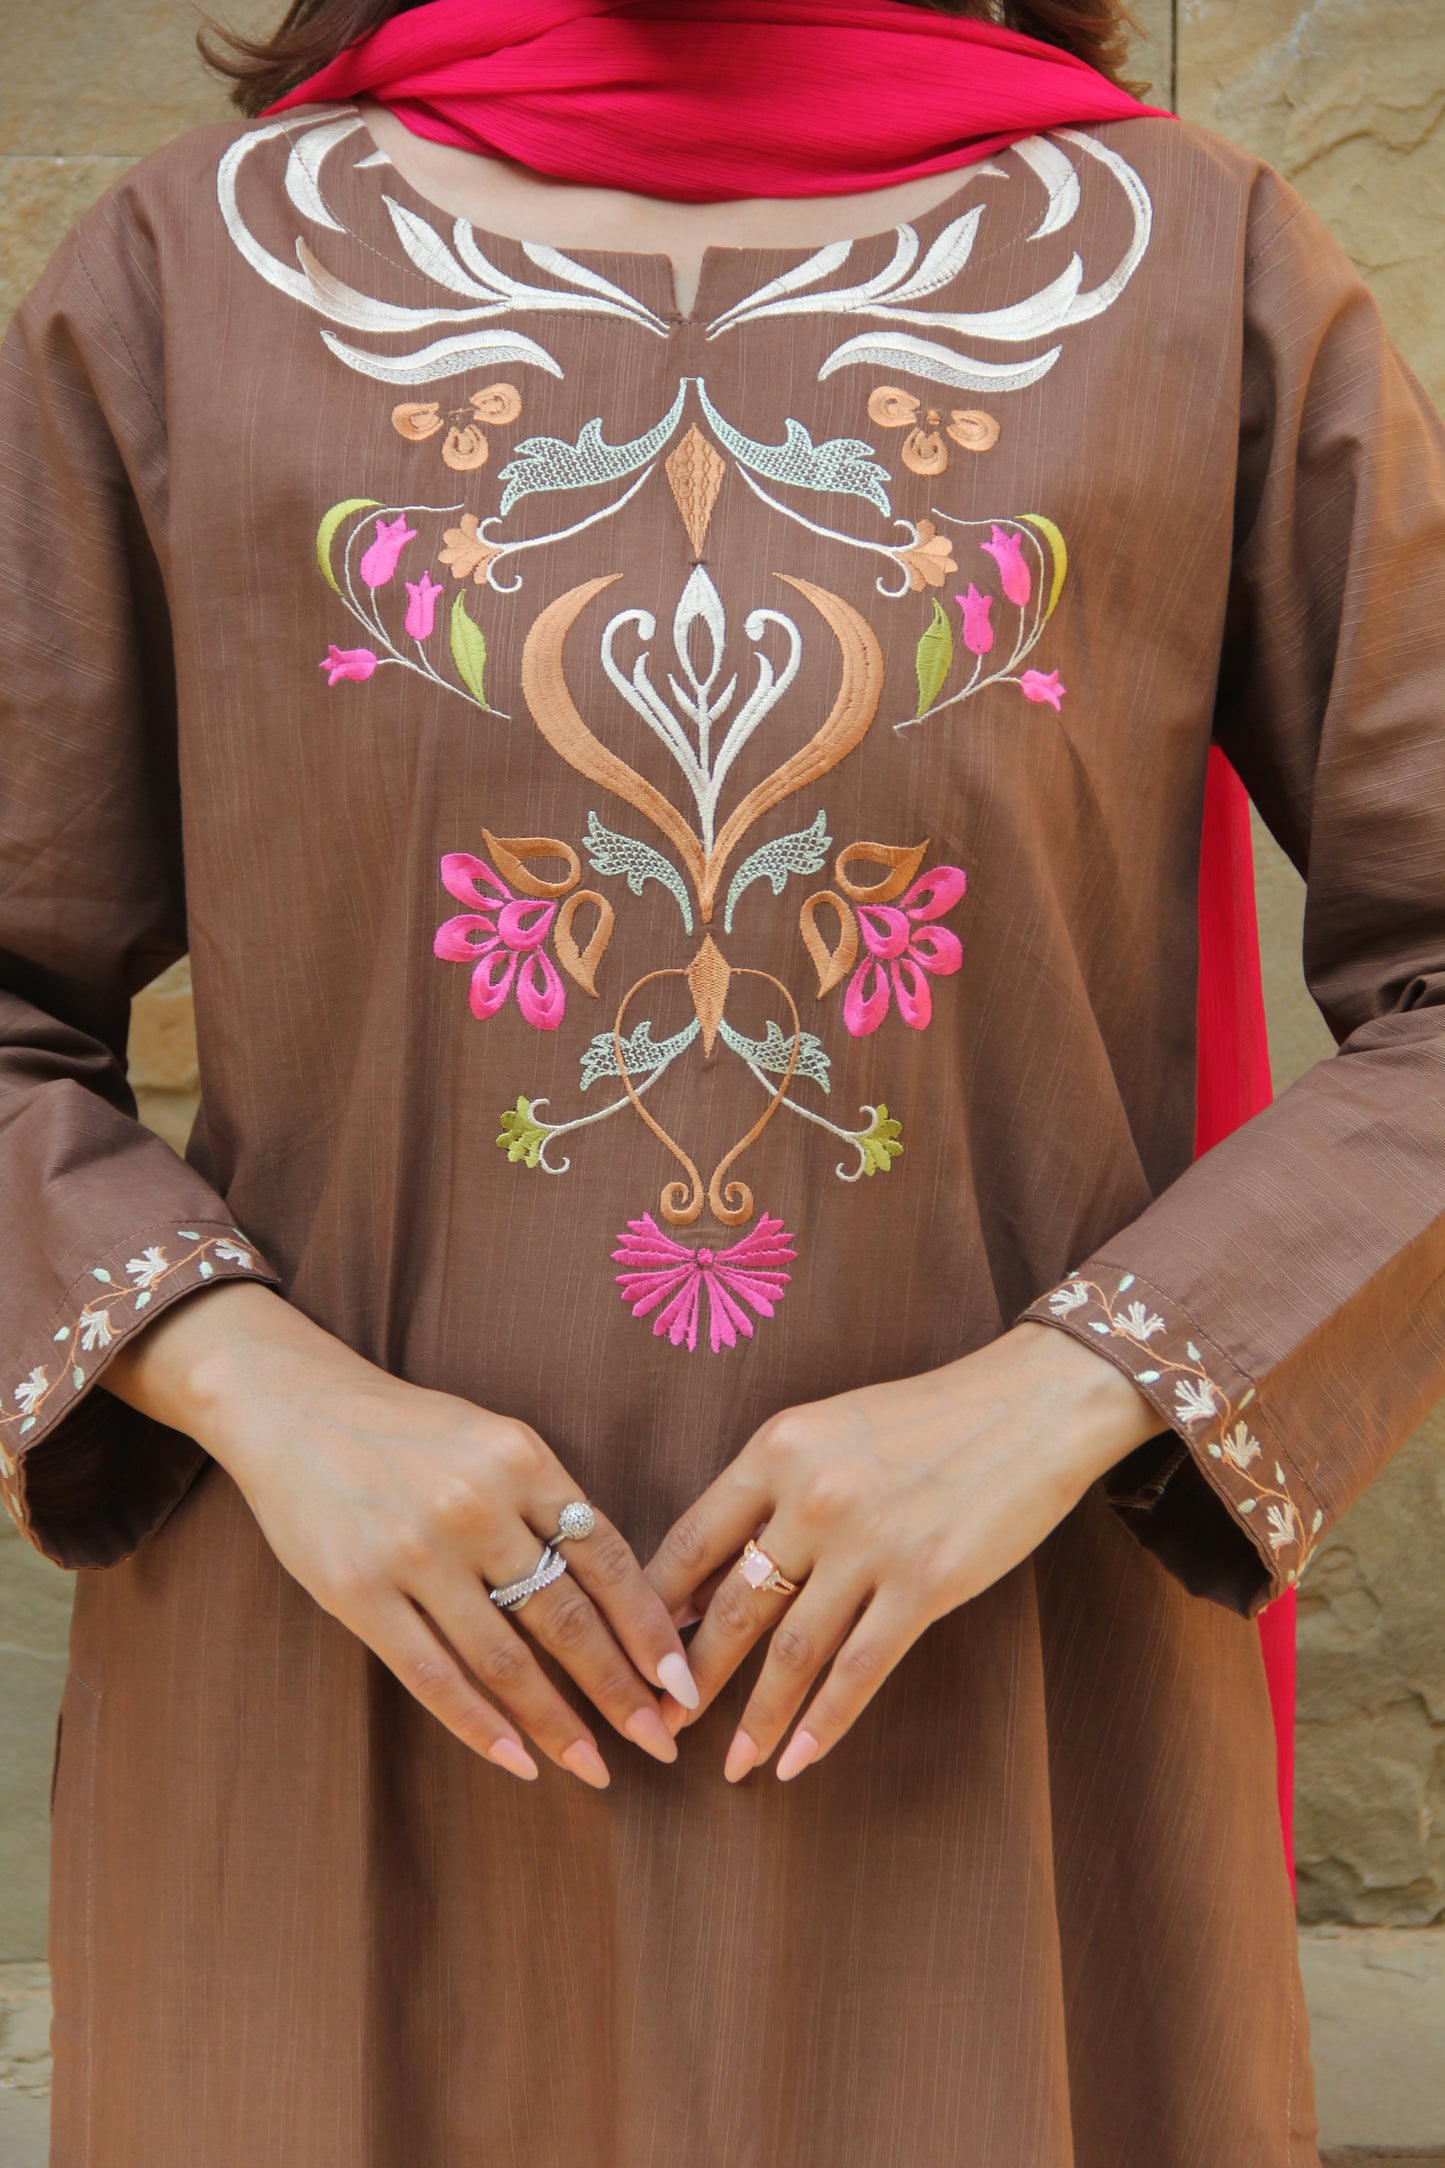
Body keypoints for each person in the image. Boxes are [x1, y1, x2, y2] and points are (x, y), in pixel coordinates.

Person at [2, 0, 1443, 2159]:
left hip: (997, 1732)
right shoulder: (190, 277)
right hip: (334, 1731)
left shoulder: (1188, 269)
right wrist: (260, 1390)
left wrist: (1069, 1390)